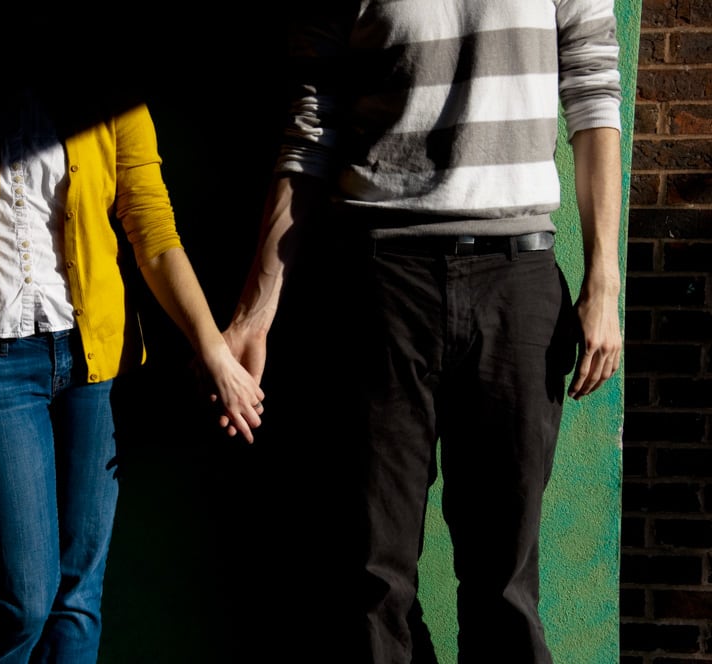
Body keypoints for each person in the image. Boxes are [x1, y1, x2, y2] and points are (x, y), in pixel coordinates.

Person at [222, 2, 624, 662]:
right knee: (372, 584)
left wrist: (603, 282)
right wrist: (255, 312)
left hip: (516, 281)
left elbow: (593, 90)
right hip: (378, 285)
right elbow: (309, 130)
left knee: (506, 587)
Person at [0, 83, 264, 664]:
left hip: (89, 361)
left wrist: (212, 348)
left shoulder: (112, 90)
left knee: (78, 598)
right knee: (23, 602)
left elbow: (152, 228)